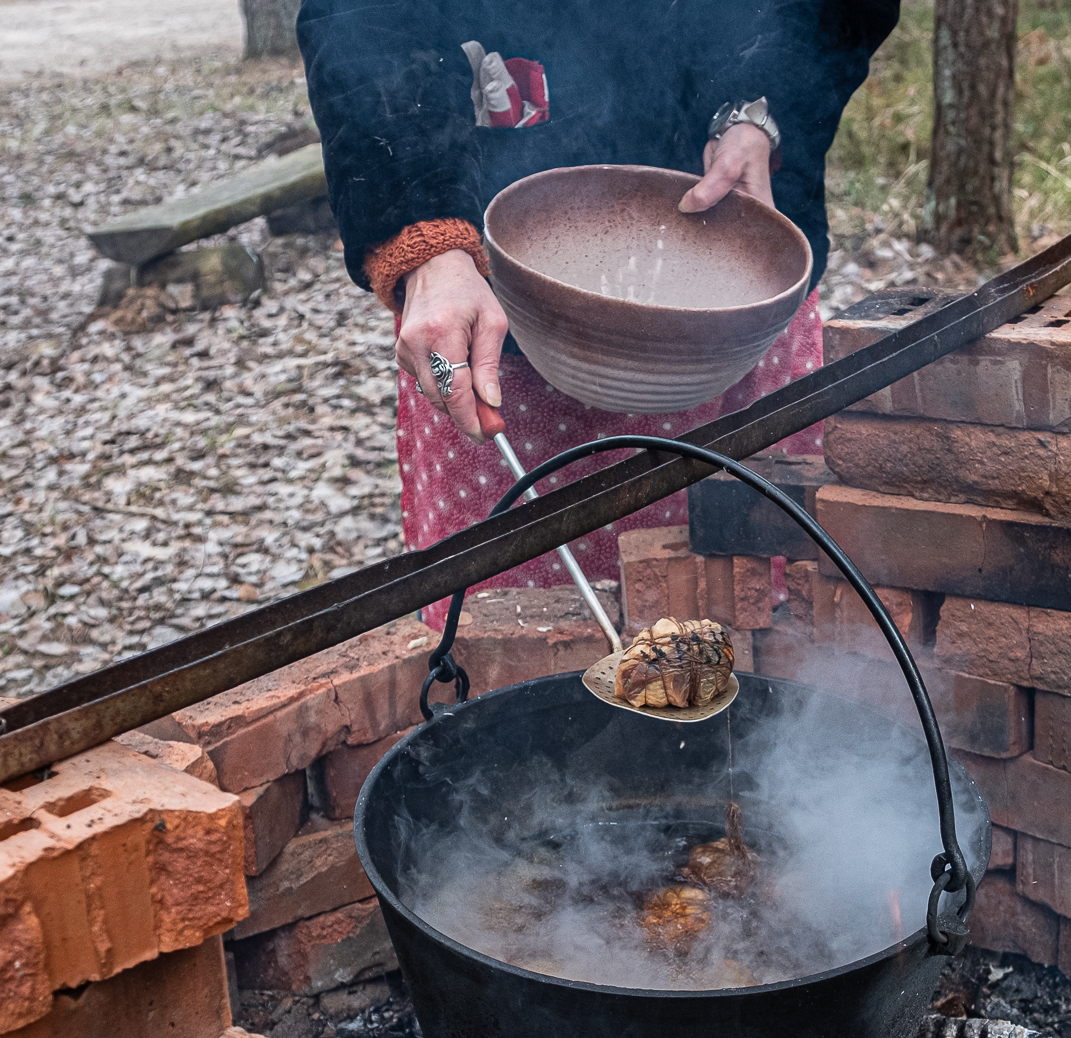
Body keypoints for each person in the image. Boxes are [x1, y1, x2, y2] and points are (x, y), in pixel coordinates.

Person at [297, 1, 900, 620]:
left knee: (764, 633)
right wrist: (424, 238)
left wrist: (759, 107)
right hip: (499, 319)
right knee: (509, 649)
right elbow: (362, 19)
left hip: (743, 294)